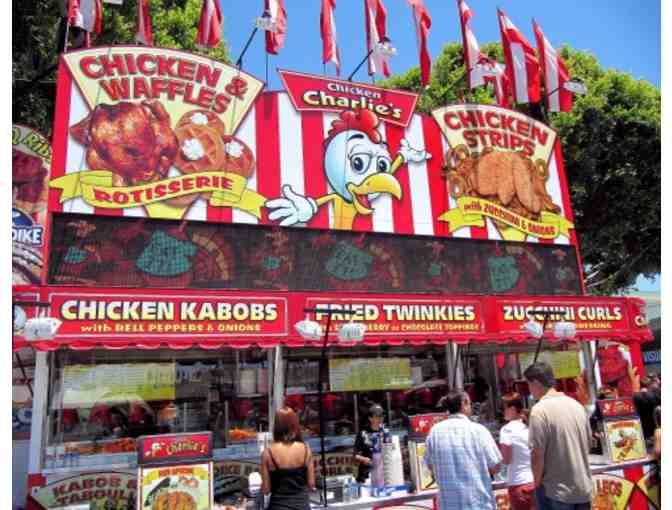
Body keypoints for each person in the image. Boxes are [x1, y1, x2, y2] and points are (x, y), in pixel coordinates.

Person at [524, 362, 592, 510]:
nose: (529, 390)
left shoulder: (539, 411)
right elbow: (588, 443)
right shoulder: (577, 406)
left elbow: (537, 454)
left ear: (536, 383)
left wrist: (536, 483)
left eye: (528, 384)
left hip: (556, 491)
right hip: (583, 488)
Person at [424, 390, 502, 510]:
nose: (471, 407)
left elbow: (430, 466)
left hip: (448, 504)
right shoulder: (478, 430)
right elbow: (495, 466)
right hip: (477, 503)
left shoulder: (434, 432)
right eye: (470, 403)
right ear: (464, 403)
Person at [261, 407, 315, 510]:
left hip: (278, 506)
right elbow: (311, 483)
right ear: (294, 424)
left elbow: (266, 490)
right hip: (302, 505)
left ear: (276, 426)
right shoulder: (306, 449)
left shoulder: (267, 453)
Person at [500, 393, 536, 510]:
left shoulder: (507, 430)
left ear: (512, 409)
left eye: (504, 408)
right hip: (535, 481)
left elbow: (506, 459)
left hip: (518, 483)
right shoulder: (529, 426)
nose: (502, 412)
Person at [353, 404, 385, 483]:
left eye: (381, 416)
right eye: (377, 416)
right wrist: (364, 459)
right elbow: (355, 455)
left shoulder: (385, 433)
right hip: (367, 475)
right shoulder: (363, 434)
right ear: (370, 418)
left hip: (382, 475)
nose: (380, 419)